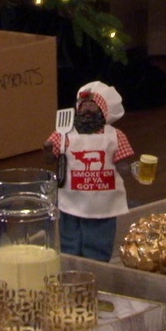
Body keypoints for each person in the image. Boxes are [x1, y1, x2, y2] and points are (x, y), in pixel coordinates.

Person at [45, 82, 136, 261]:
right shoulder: (63, 134)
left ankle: (96, 265)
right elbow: (50, 158)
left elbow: (123, 163)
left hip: (102, 200)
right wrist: (48, 150)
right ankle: (71, 262)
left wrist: (129, 168)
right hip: (71, 197)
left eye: (91, 105)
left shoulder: (115, 136)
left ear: (103, 110)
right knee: (69, 235)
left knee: (99, 238)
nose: (86, 108)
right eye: (83, 105)